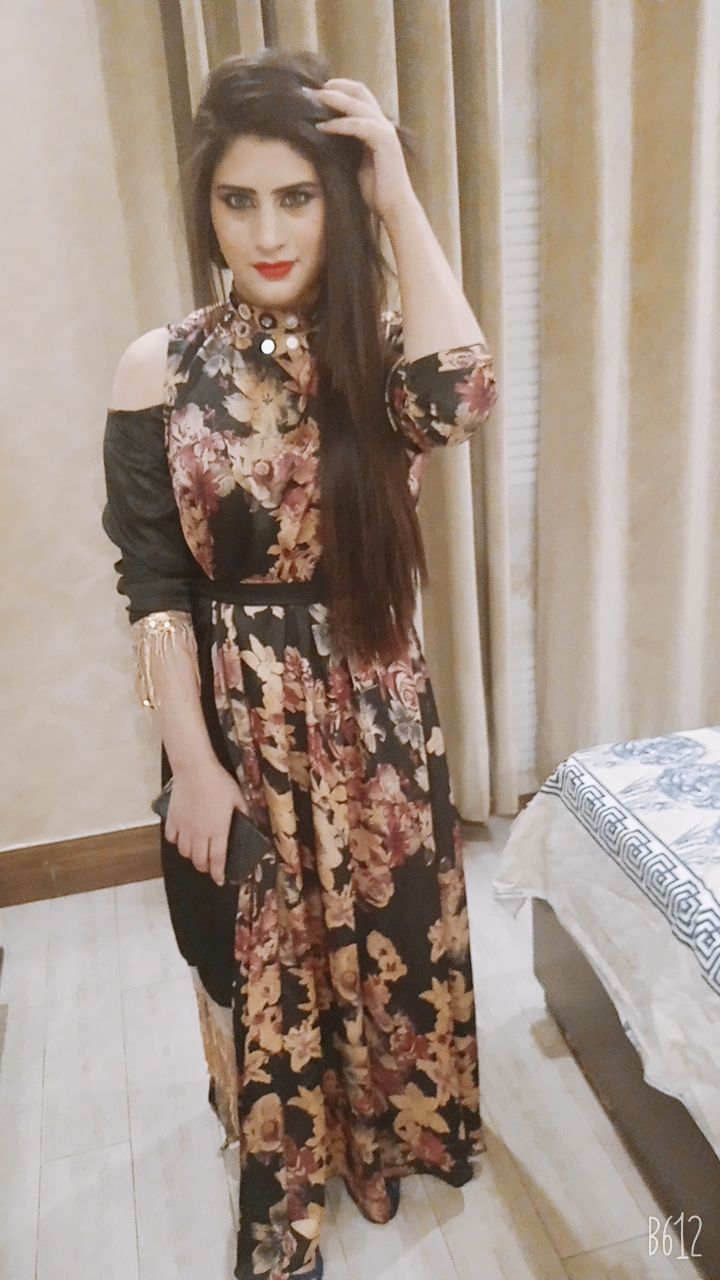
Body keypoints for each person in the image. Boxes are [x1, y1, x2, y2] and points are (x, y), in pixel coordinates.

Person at [102, 47, 497, 1280]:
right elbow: (151, 591)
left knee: (393, 939)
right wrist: (191, 763)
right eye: (239, 199)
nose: (267, 232)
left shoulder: (378, 356)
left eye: (298, 196)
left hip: (379, 710)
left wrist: (396, 190)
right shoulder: (160, 367)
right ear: (205, 205)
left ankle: (392, 1130)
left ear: (337, 198)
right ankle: (286, 1167)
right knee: (264, 956)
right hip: (239, 720)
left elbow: (463, 391)